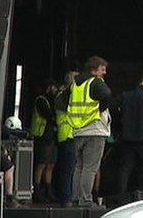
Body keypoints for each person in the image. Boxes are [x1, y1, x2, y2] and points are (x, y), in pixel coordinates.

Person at [69, 56, 113, 209]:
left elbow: (60, 101)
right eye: (102, 69)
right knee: (90, 167)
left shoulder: (76, 85)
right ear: (94, 69)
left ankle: (75, 199)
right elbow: (107, 95)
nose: (105, 72)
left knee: (79, 166)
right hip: (94, 130)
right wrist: (99, 109)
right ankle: (86, 200)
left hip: (78, 130)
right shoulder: (96, 83)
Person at [31, 80, 60, 203]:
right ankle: (37, 190)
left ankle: (48, 190)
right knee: (42, 163)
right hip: (43, 135)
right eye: (54, 87)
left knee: (51, 164)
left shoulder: (54, 100)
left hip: (53, 136)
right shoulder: (41, 100)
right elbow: (49, 115)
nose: (55, 89)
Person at [54, 69, 78, 207]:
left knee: (72, 169)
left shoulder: (64, 95)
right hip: (67, 135)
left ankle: (69, 196)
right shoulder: (63, 96)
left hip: (72, 135)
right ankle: (66, 198)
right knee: (67, 169)